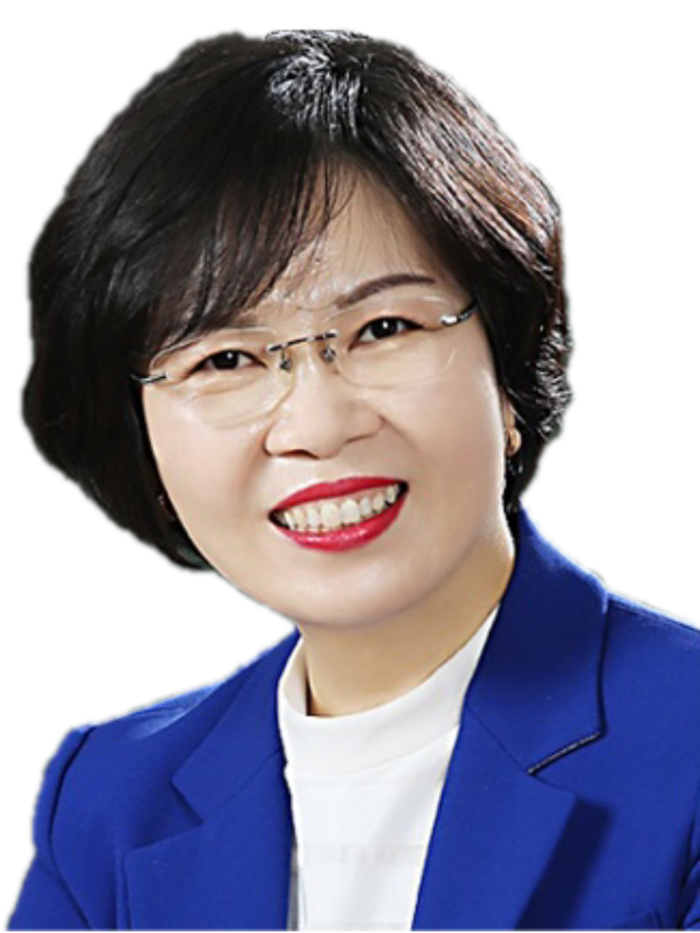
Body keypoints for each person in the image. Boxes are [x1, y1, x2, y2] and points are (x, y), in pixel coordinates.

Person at [10, 26, 699, 932]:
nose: (317, 424)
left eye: (384, 329)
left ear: (509, 369)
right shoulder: (109, 799)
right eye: (224, 359)